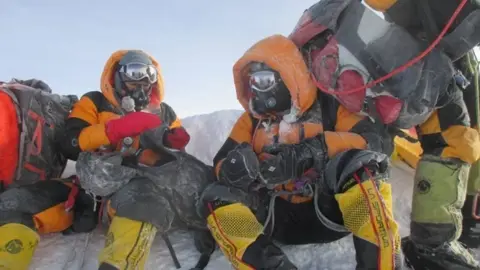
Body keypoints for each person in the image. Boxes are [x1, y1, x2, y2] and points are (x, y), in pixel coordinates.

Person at [288, 0, 480, 268]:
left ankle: (441, 234)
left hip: (409, 70)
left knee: (451, 138)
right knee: (454, 140)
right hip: (411, 72)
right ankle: (433, 243)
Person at [197, 34, 403, 269]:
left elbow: (375, 143)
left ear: (288, 75)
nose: (256, 89)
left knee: (359, 164)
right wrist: (235, 168)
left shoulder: (330, 106)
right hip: (274, 217)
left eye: (263, 80)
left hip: (330, 212)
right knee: (216, 195)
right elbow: (221, 162)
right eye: (251, 83)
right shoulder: (251, 122)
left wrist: (313, 151)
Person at [58, 49, 201, 270]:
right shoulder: (95, 101)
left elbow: (177, 155)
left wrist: (171, 143)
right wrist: (113, 130)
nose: (142, 81)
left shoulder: (164, 112)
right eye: (135, 73)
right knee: (142, 199)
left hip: (147, 186)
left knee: (147, 198)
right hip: (103, 184)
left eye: (148, 75)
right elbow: (70, 142)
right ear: (118, 76)